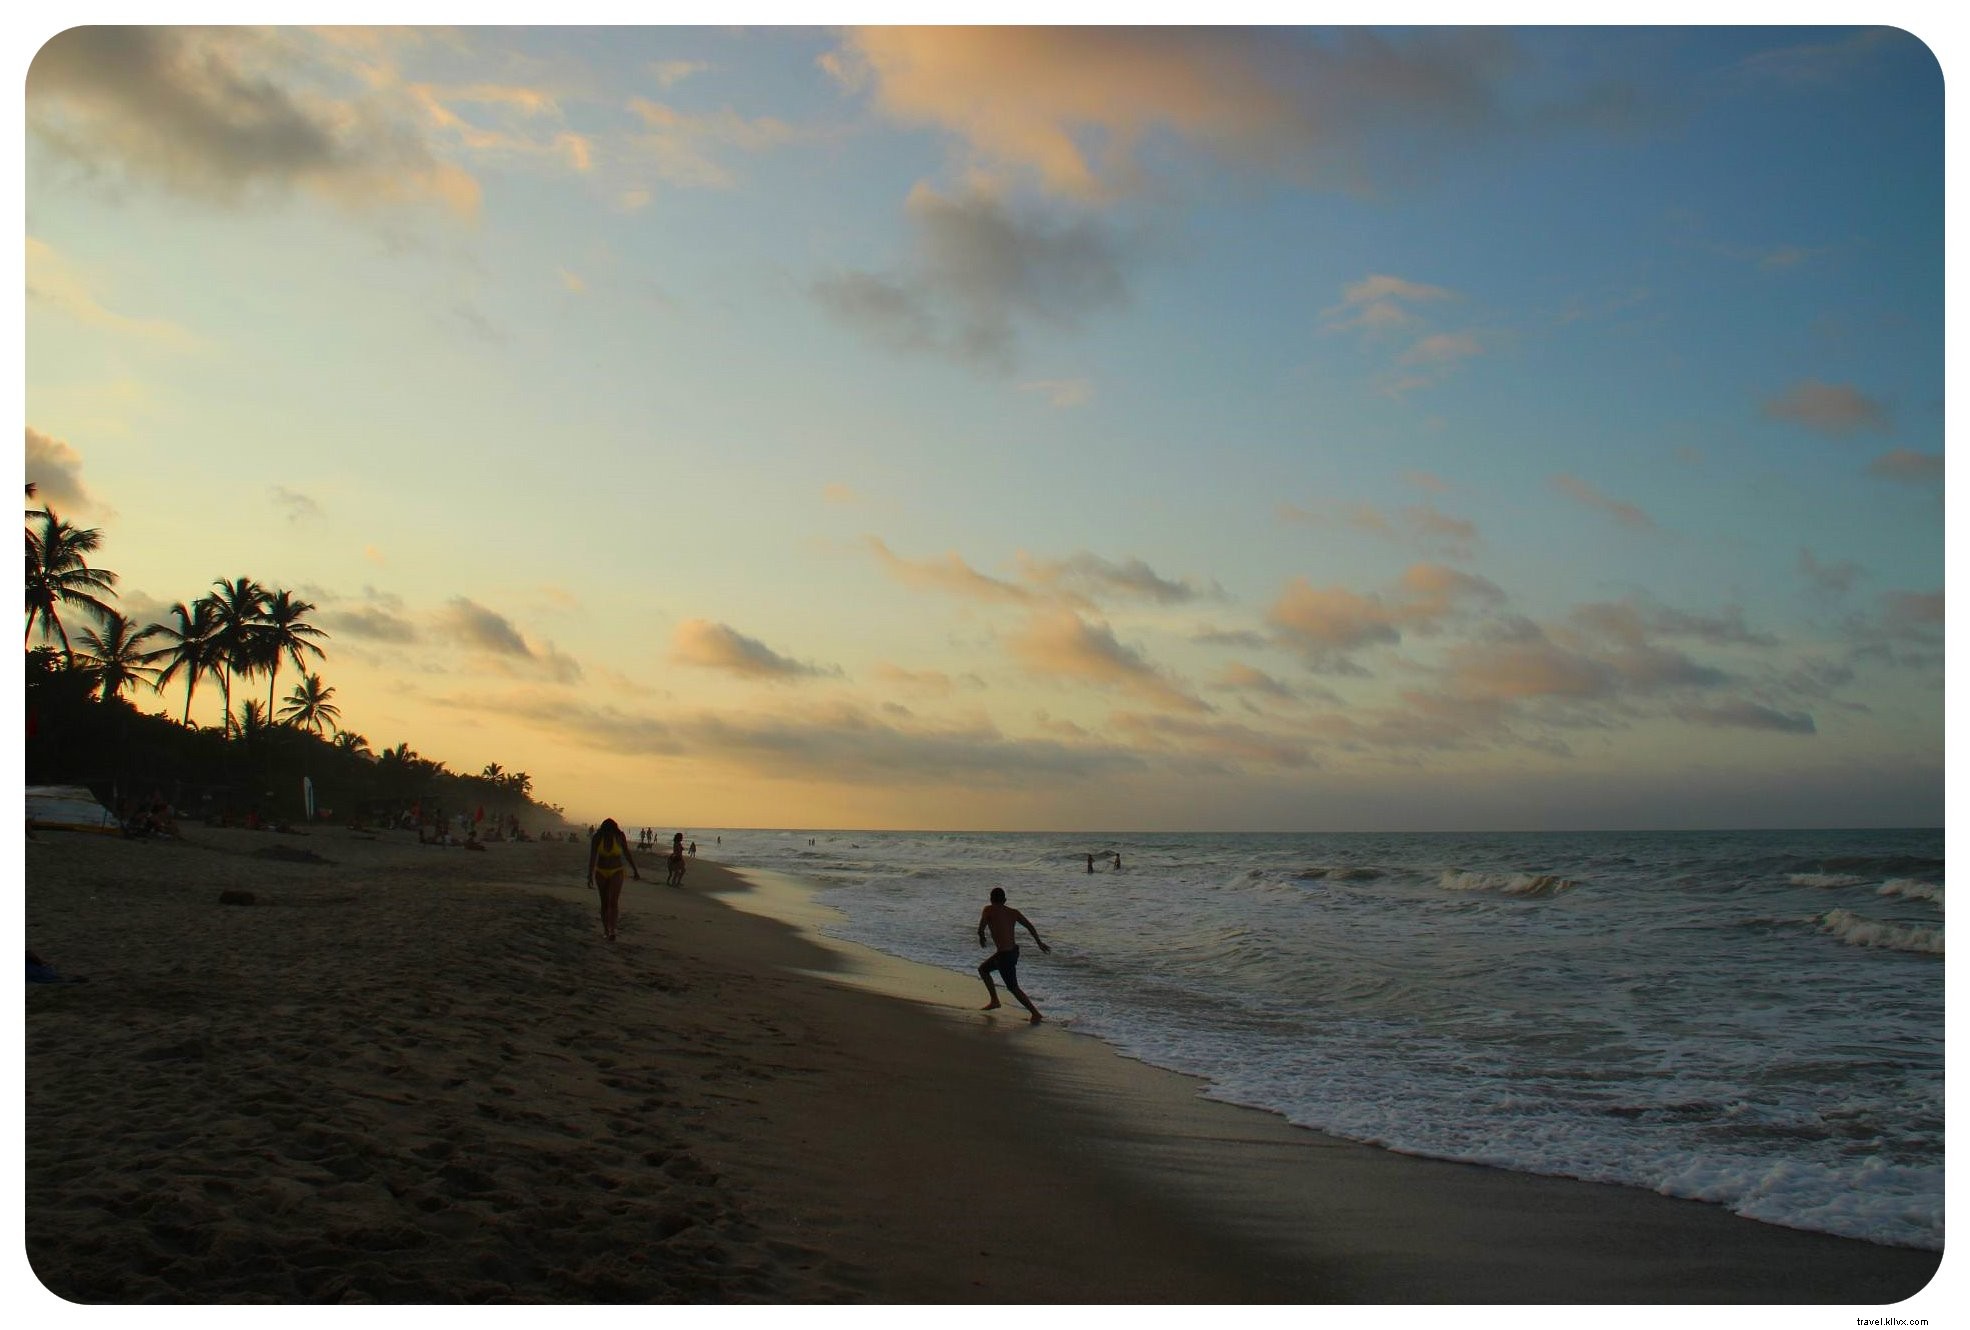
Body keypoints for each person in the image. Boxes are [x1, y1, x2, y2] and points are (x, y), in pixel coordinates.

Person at [976, 887, 1051, 1023]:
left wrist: (982, 937)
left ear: (991, 899)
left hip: (1004, 956)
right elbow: (1029, 926)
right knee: (983, 969)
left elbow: (981, 928)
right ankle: (994, 1000)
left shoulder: (988, 910)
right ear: (1005, 900)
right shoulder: (1013, 912)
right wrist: (1039, 942)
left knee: (1013, 987)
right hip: (1013, 952)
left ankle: (1035, 1013)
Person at [587, 818, 640, 941]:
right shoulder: (597, 837)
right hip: (601, 871)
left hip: (617, 871)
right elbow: (593, 857)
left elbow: (627, 853)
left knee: (613, 901)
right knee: (604, 903)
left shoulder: (619, 836)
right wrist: (589, 875)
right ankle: (606, 930)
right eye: (607, 832)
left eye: (611, 831)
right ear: (603, 831)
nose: (609, 834)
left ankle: (612, 930)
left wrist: (635, 870)